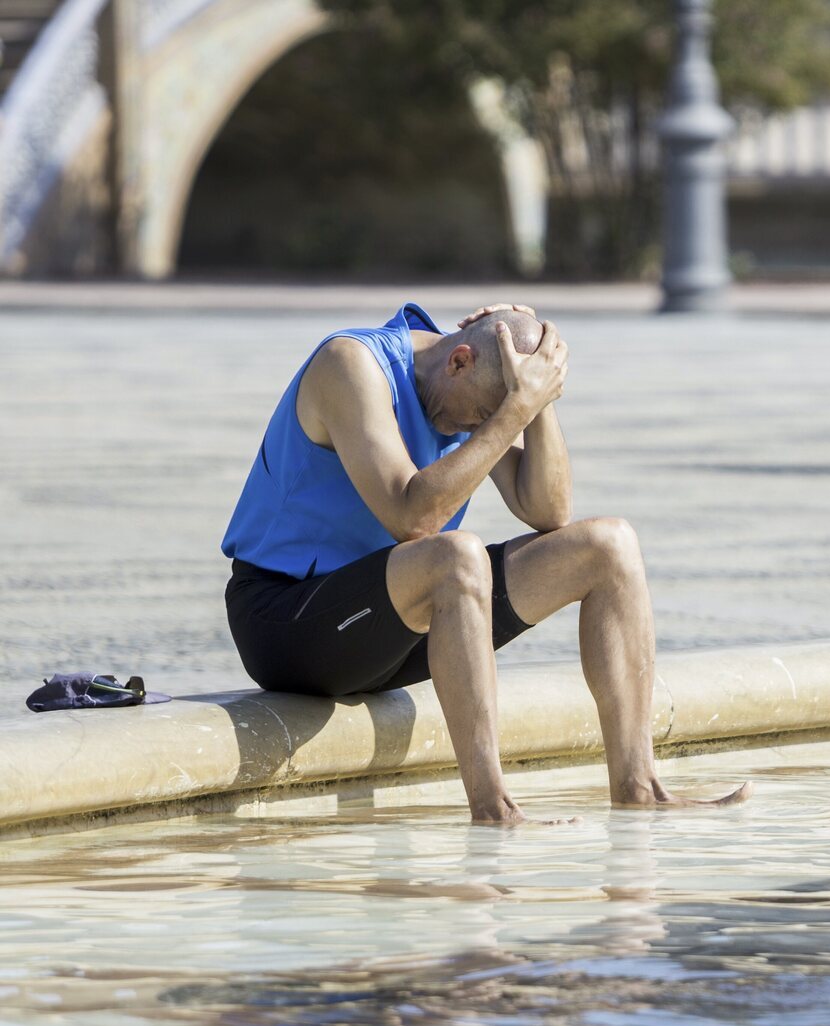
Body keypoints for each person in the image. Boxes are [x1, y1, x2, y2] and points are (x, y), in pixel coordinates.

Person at [221, 301, 750, 824]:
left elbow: (548, 510)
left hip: (392, 625)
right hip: (287, 623)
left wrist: (539, 394)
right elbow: (413, 519)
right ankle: (493, 808)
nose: (477, 428)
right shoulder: (351, 365)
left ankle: (639, 787)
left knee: (610, 546)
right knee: (456, 554)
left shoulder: (468, 388)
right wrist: (514, 410)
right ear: (458, 361)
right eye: (480, 416)